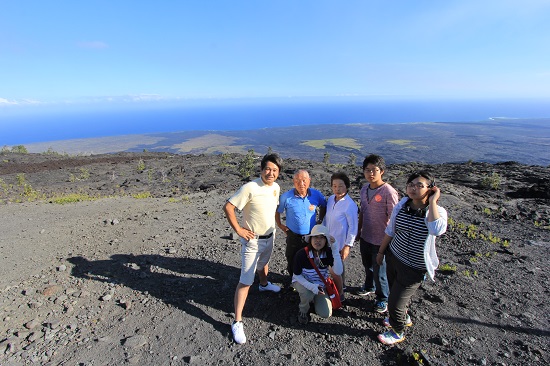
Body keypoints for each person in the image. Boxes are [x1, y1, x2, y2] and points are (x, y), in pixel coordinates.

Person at [376, 171, 447, 345]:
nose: (413, 188)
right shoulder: (402, 205)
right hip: (394, 257)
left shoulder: (436, 212)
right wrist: (381, 252)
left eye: (419, 185)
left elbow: (436, 230)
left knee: (395, 303)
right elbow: (391, 230)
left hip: (414, 267)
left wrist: (432, 202)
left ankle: (397, 330)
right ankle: (404, 317)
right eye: (410, 185)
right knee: (394, 292)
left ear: (431, 188)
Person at [223, 153, 284, 345]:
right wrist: (239, 230)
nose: (270, 173)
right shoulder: (250, 187)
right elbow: (228, 207)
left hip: (269, 236)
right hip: (252, 240)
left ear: (278, 173)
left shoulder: (276, 187)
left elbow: (273, 209)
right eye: (267, 169)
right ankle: (237, 321)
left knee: (264, 264)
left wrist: (279, 226)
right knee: (245, 280)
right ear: (261, 169)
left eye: (274, 170)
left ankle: (264, 285)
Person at [357, 154, 399, 314]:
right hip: (366, 236)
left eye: (374, 170)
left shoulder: (388, 191)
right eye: (367, 170)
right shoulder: (364, 189)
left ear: (382, 171)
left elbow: (394, 218)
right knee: (368, 265)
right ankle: (369, 286)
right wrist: (359, 230)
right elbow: (362, 212)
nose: (370, 173)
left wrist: (390, 240)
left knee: (380, 271)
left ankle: (383, 298)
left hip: (381, 240)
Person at [276, 169, 327, 283]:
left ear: (309, 181)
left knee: (311, 258)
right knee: (292, 257)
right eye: (298, 181)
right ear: (294, 182)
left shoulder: (316, 194)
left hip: (311, 236)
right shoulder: (286, 197)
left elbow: (324, 205)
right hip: (293, 235)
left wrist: (320, 220)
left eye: (304, 180)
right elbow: (278, 211)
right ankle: (293, 280)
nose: (301, 184)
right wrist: (280, 225)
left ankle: (309, 280)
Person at [291, 224, 343, 324]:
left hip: (320, 284)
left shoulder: (328, 253)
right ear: (310, 239)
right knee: (307, 293)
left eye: (322, 238)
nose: (318, 240)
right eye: (315, 237)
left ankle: (314, 299)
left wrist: (335, 249)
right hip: (302, 281)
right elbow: (297, 275)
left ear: (326, 241)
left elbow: (338, 271)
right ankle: (303, 310)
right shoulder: (301, 254)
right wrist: (311, 287)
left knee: (325, 313)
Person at [323, 172, 358, 301]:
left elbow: (353, 227)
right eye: (334, 186)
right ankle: (331, 287)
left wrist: (347, 246)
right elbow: (327, 219)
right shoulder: (331, 199)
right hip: (327, 240)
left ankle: (341, 292)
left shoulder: (350, 205)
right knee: (329, 265)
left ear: (347, 186)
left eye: (341, 186)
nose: (337, 189)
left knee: (338, 267)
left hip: (339, 242)